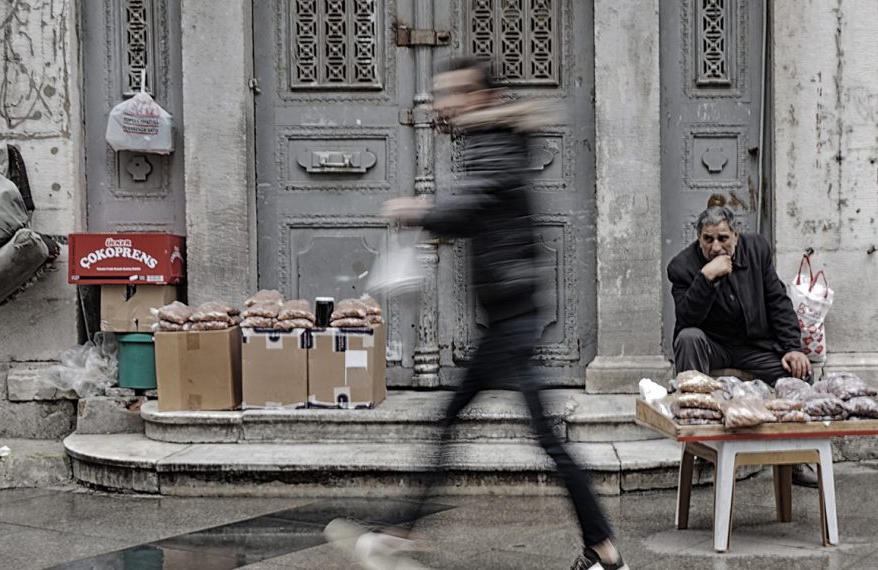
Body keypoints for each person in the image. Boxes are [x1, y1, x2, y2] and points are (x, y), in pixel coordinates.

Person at [339, 56, 628, 570]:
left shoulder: (495, 144)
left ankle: (604, 550)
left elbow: (474, 206)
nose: (442, 104)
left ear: (481, 98)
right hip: (507, 318)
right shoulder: (489, 142)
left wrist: (419, 211)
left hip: (513, 321)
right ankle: (402, 531)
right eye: (440, 94)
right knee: (456, 423)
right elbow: (483, 217)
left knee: (539, 441)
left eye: (452, 93)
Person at [667, 206, 818, 486]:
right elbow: (686, 317)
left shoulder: (756, 249)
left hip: (754, 345)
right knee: (688, 338)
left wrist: (792, 347)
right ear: (698, 239)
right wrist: (706, 277)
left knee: (800, 370)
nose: (715, 246)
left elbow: (777, 300)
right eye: (708, 239)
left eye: (723, 238)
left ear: (736, 235)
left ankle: (796, 458)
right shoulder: (682, 267)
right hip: (713, 345)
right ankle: (700, 441)